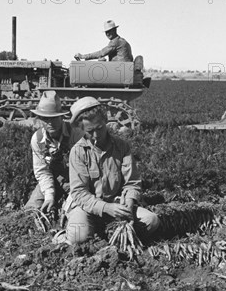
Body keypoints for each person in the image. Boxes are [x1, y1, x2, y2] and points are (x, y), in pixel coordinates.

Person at [65, 97, 160, 245]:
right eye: (90, 131)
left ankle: (108, 234)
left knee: (151, 221)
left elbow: (132, 182)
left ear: (106, 122)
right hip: (86, 207)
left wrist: (129, 200)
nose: (96, 135)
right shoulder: (78, 152)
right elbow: (79, 193)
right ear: (82, 129)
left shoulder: (122, 147)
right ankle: (63, 236)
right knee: (78, 236)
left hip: (116, 204)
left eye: (100, 128)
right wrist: (106, 208)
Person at [24, 91, 83, 214]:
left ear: (61, 117)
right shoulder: (37, 139)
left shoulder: (76, 134)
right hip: (52, 179)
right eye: (45, 119)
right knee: (31, 210)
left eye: (54, 118)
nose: (50, 123)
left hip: (76, 181)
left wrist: (74, 195)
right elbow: (42, 171)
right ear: (40, 119)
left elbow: (85, 171)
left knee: (75, 212)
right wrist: (49, 196)